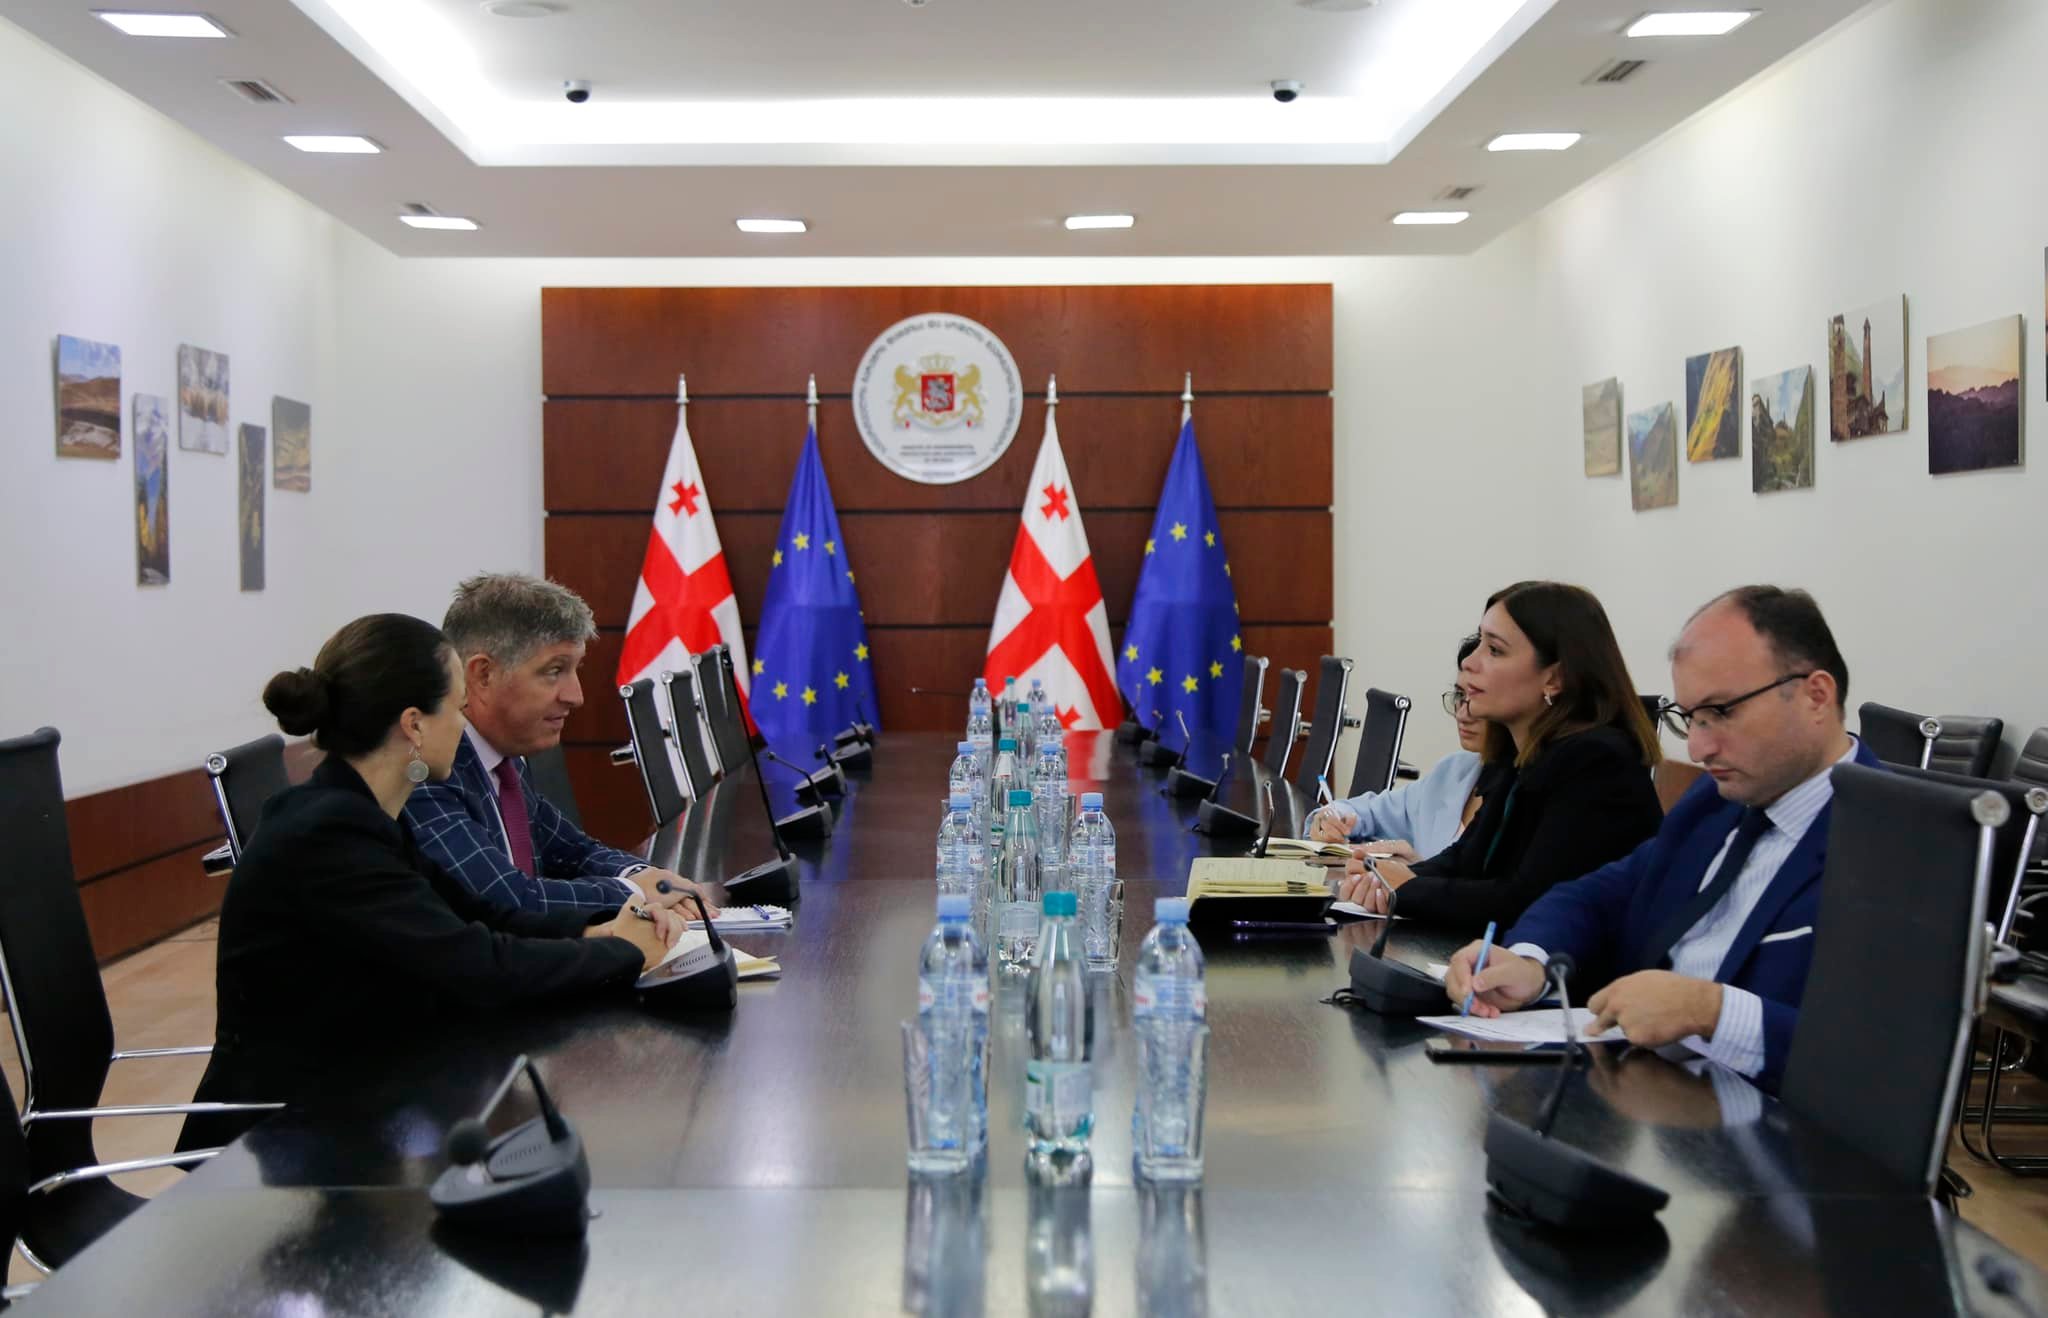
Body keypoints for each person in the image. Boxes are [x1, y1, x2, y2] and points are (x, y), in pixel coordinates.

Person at [180, 614, 683, 1150]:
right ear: (414, 725)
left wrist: (599, 931)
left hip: (363, 1092)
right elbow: (477, 965)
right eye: (458, 707)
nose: (464, 725)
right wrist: (625, 953)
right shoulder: (328, 834)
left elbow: (484, 915)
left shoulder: (361, 812)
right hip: (284, 1138)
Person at [1444, 585, 1877, 1092]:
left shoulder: (1899, 845)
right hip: (1634, 1094)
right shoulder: (1716, 802)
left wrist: (1712, 1012)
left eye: (1721, 712)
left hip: (1763, 1123)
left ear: (1815, 696)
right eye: (1690, 719)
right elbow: (1598, 895)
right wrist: (1531, 962)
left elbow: (1881, 1061)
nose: (1697, 748)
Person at [1337, 581, 1662, 929]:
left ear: (1555, 678)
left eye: (1494, 650)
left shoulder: (1598, 764)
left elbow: (1524, 900)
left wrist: (1406, 888)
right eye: (1479, 643)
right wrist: (1384, 876)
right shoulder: (1517, 754)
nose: (1469, 663)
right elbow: (1466, 859)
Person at [404, 572, 715, 918]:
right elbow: (507, 899)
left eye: (575, 669)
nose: (576, 696)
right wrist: (635, 894)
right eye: (554, 671)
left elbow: (575, 852)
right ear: (483, 675)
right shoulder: (428, 770)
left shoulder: (507, 760)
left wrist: (648, 878)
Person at [1304, 634, 1498, 863]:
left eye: (1477, 697)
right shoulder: (1454, 771)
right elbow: (1373, 810)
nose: (1462, 714)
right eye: (1459, 696)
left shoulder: (1523, 796)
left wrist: (1415, 871)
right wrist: (1330, 819)